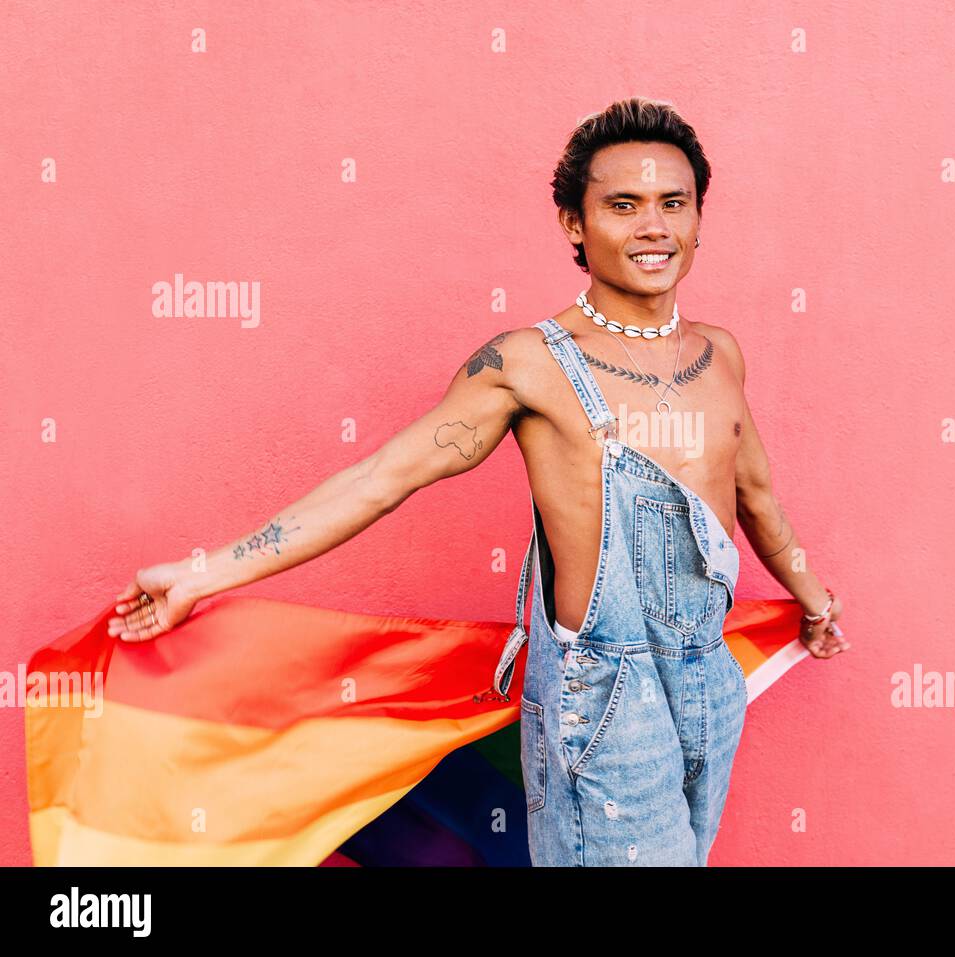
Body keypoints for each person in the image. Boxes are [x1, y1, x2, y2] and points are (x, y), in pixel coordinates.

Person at [107, 96, 847, 866]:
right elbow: (379, 478)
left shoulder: (719, 354)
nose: (653, 227)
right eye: (623, 205)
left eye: (673, 203)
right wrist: (202, 573)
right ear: (573, 222)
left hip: (708, 681)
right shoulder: (528, 364)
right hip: (607, 697)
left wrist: (813, 597)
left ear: (698, 216)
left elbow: (754, 494)